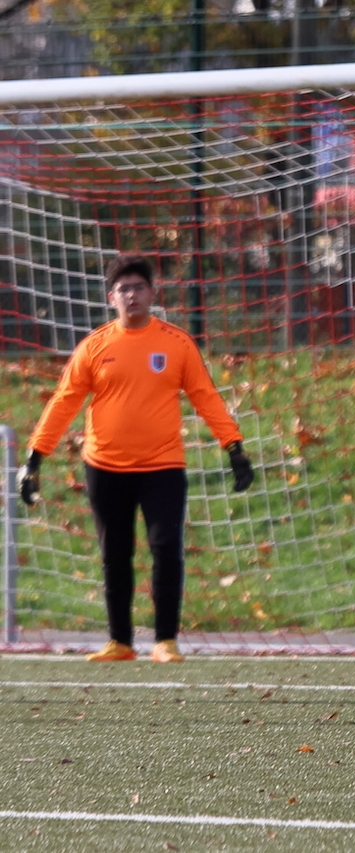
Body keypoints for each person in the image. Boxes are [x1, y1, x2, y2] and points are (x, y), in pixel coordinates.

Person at [17, 253, 254, 664]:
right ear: (111, 297)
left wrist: (234, 447)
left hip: (163, 466)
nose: (132, 295)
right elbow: (63, 402)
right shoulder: (94, 347)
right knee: (115, 554)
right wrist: (35, 457)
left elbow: (206, 397)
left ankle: (165, 641)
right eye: (123, 289)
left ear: (152, 293)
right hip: (104, 466)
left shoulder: (176, 343)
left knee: (166, 548)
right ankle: (120, 642)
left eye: (139, 287)